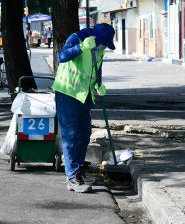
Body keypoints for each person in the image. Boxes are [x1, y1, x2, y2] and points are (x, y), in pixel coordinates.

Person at [52, 23, 115, 193]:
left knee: (84, 135)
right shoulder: (77, 38)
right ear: (95, 38)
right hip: (67, 93)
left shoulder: (99, 49)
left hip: (85, 95)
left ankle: (78, 172)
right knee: (71, 136)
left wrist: (98, 85)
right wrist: (81, 47)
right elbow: (62, 56)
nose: (104, 47)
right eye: (103, 43)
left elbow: (97, 69)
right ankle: (72, 177)